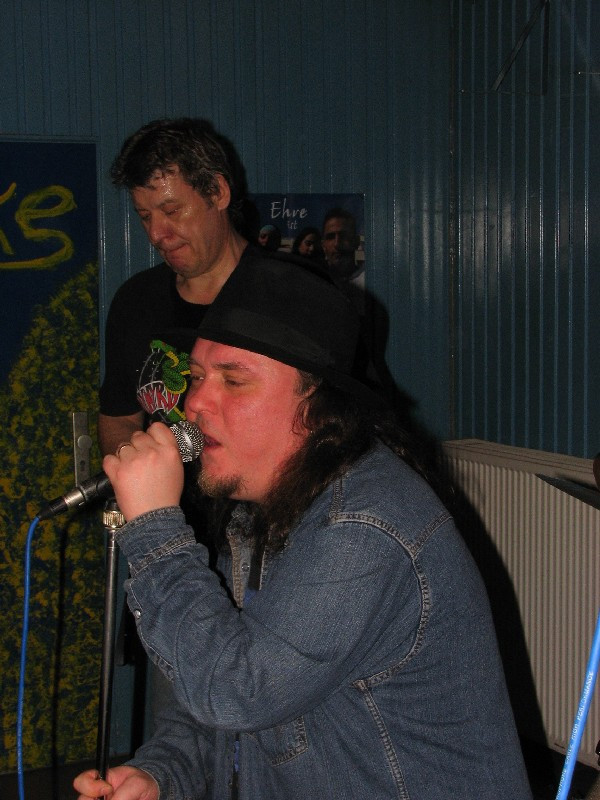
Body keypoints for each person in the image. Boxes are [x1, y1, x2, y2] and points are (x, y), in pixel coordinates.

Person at [74, 258, 532, 800]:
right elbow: (214, 691)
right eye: (195, 377)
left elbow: (236, 691)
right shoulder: (255, 508)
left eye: (234, 381)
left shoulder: (364, 529)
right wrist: (162, 772)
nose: (193, 403)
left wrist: (155, 528)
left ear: (316, 407)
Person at [98, 117, 250, 458]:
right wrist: (140, 470)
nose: (156, 233)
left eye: (172, 210)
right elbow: (119, 418)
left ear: (218, 192)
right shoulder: (135, 301)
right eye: (145, 216)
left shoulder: (289, 294)